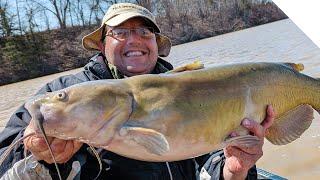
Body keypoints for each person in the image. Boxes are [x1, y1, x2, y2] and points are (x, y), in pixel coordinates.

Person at [0, 3, 274, 180]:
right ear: (102, 45)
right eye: (120, 31)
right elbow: (3, 162)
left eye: (145, 32)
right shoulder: (60, 93)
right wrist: (37, 156)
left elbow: (210, 164)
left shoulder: (190, 87)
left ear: (156, 43)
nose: (134, 39)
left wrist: (234, 172)